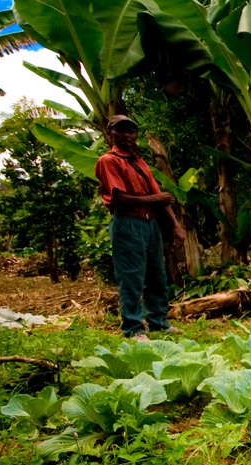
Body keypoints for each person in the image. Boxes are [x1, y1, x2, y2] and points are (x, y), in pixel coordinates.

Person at [94, 115, 185, 341]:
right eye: (120, 130)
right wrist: (155, 200)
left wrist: (175, 225)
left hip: (149, 223)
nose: (127, 135)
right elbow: (121, 197)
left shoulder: (139, 161)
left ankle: (158, 322)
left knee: (157, 275)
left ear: (135, 135)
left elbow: (160, 198)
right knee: (131, 276)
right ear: (110, 133)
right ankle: (134, 327)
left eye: (131, 131)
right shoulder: (109, 160)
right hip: (127, 222)